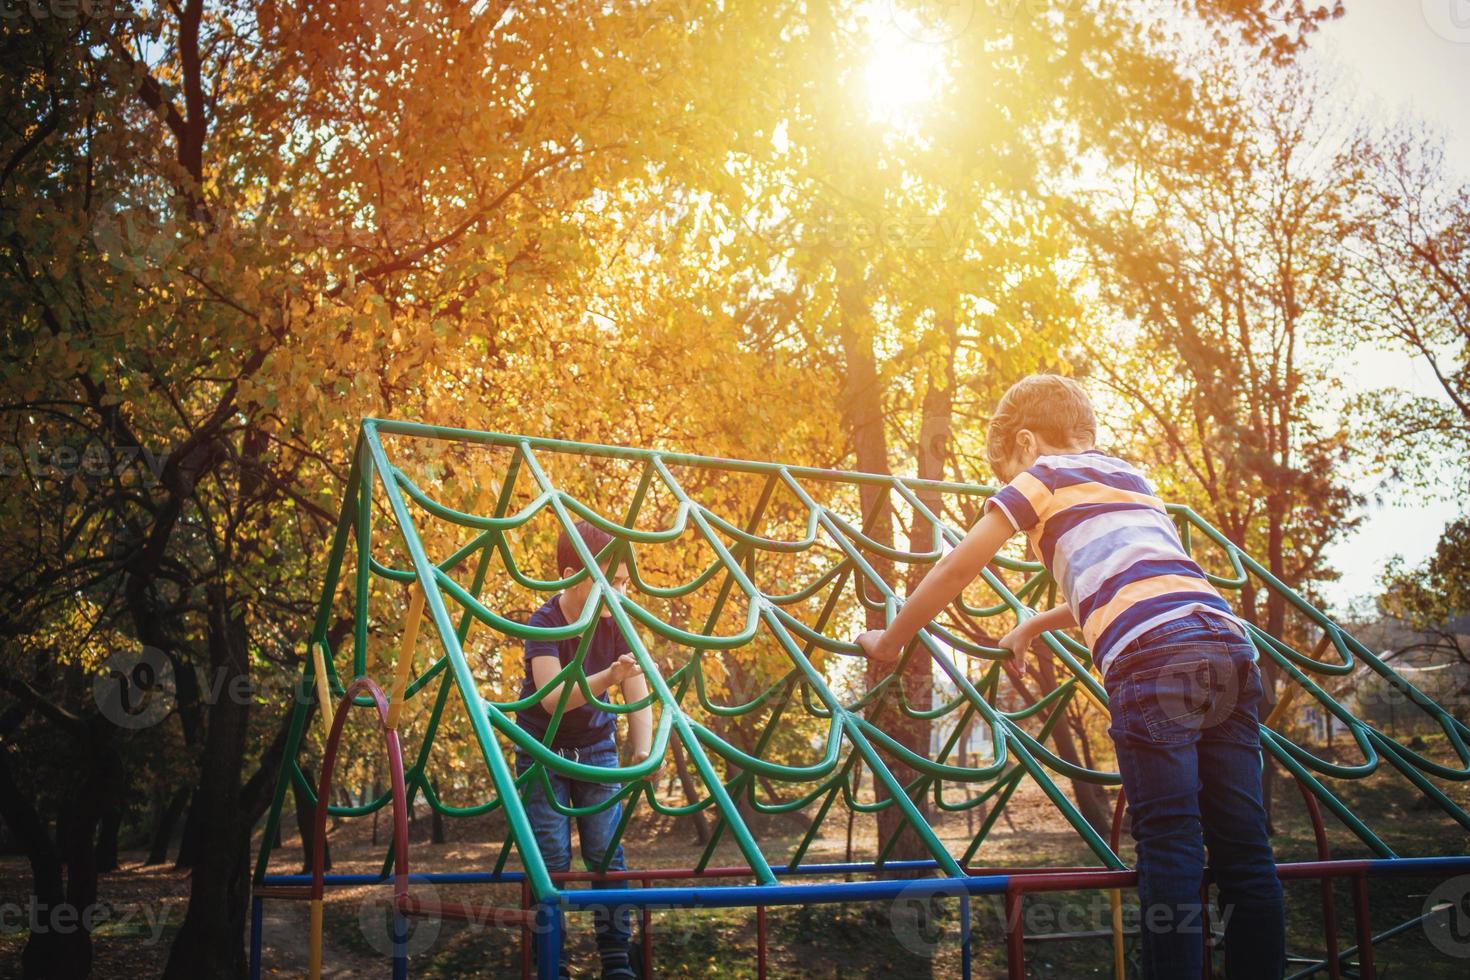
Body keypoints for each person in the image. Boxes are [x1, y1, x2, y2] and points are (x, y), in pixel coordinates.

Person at [854, 374, 1285, 980]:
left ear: (1025, 444)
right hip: (1226, 644)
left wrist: (892, 640)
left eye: (1006, 470)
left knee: (1170, 842)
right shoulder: (1132, 479)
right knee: (1244, 845)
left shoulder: (1042, 476)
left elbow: (957, 569)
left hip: (1153, 658)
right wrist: (1032, 625)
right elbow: (1131, 581)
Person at [516, 518, 660, 980]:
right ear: (569, 577)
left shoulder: (615, 621)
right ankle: (550, 953)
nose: (617, 592)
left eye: (621, 582)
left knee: (605, 853)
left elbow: (637, 689)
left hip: (596, 748)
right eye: (606, 581)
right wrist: (608, 678)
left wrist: (643, 750)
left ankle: (616, 954)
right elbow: (553, 697)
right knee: (551, 856)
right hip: (543, 749)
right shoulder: (546, 622)